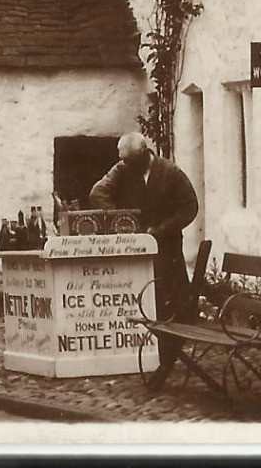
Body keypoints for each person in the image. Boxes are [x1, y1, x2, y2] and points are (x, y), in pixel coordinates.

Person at [88, 132, 199, 378]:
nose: (127, 165)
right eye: (124, 161)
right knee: (143, 297)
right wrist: (122, 219)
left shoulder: (171, 173)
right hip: (137, 247)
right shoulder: (123, 168)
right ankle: (152, 354)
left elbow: (190, 206)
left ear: (145, 153)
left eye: (132, 161)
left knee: (172, 299)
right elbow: (98, 193)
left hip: (166, 248)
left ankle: (170, 354)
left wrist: (161, 229)